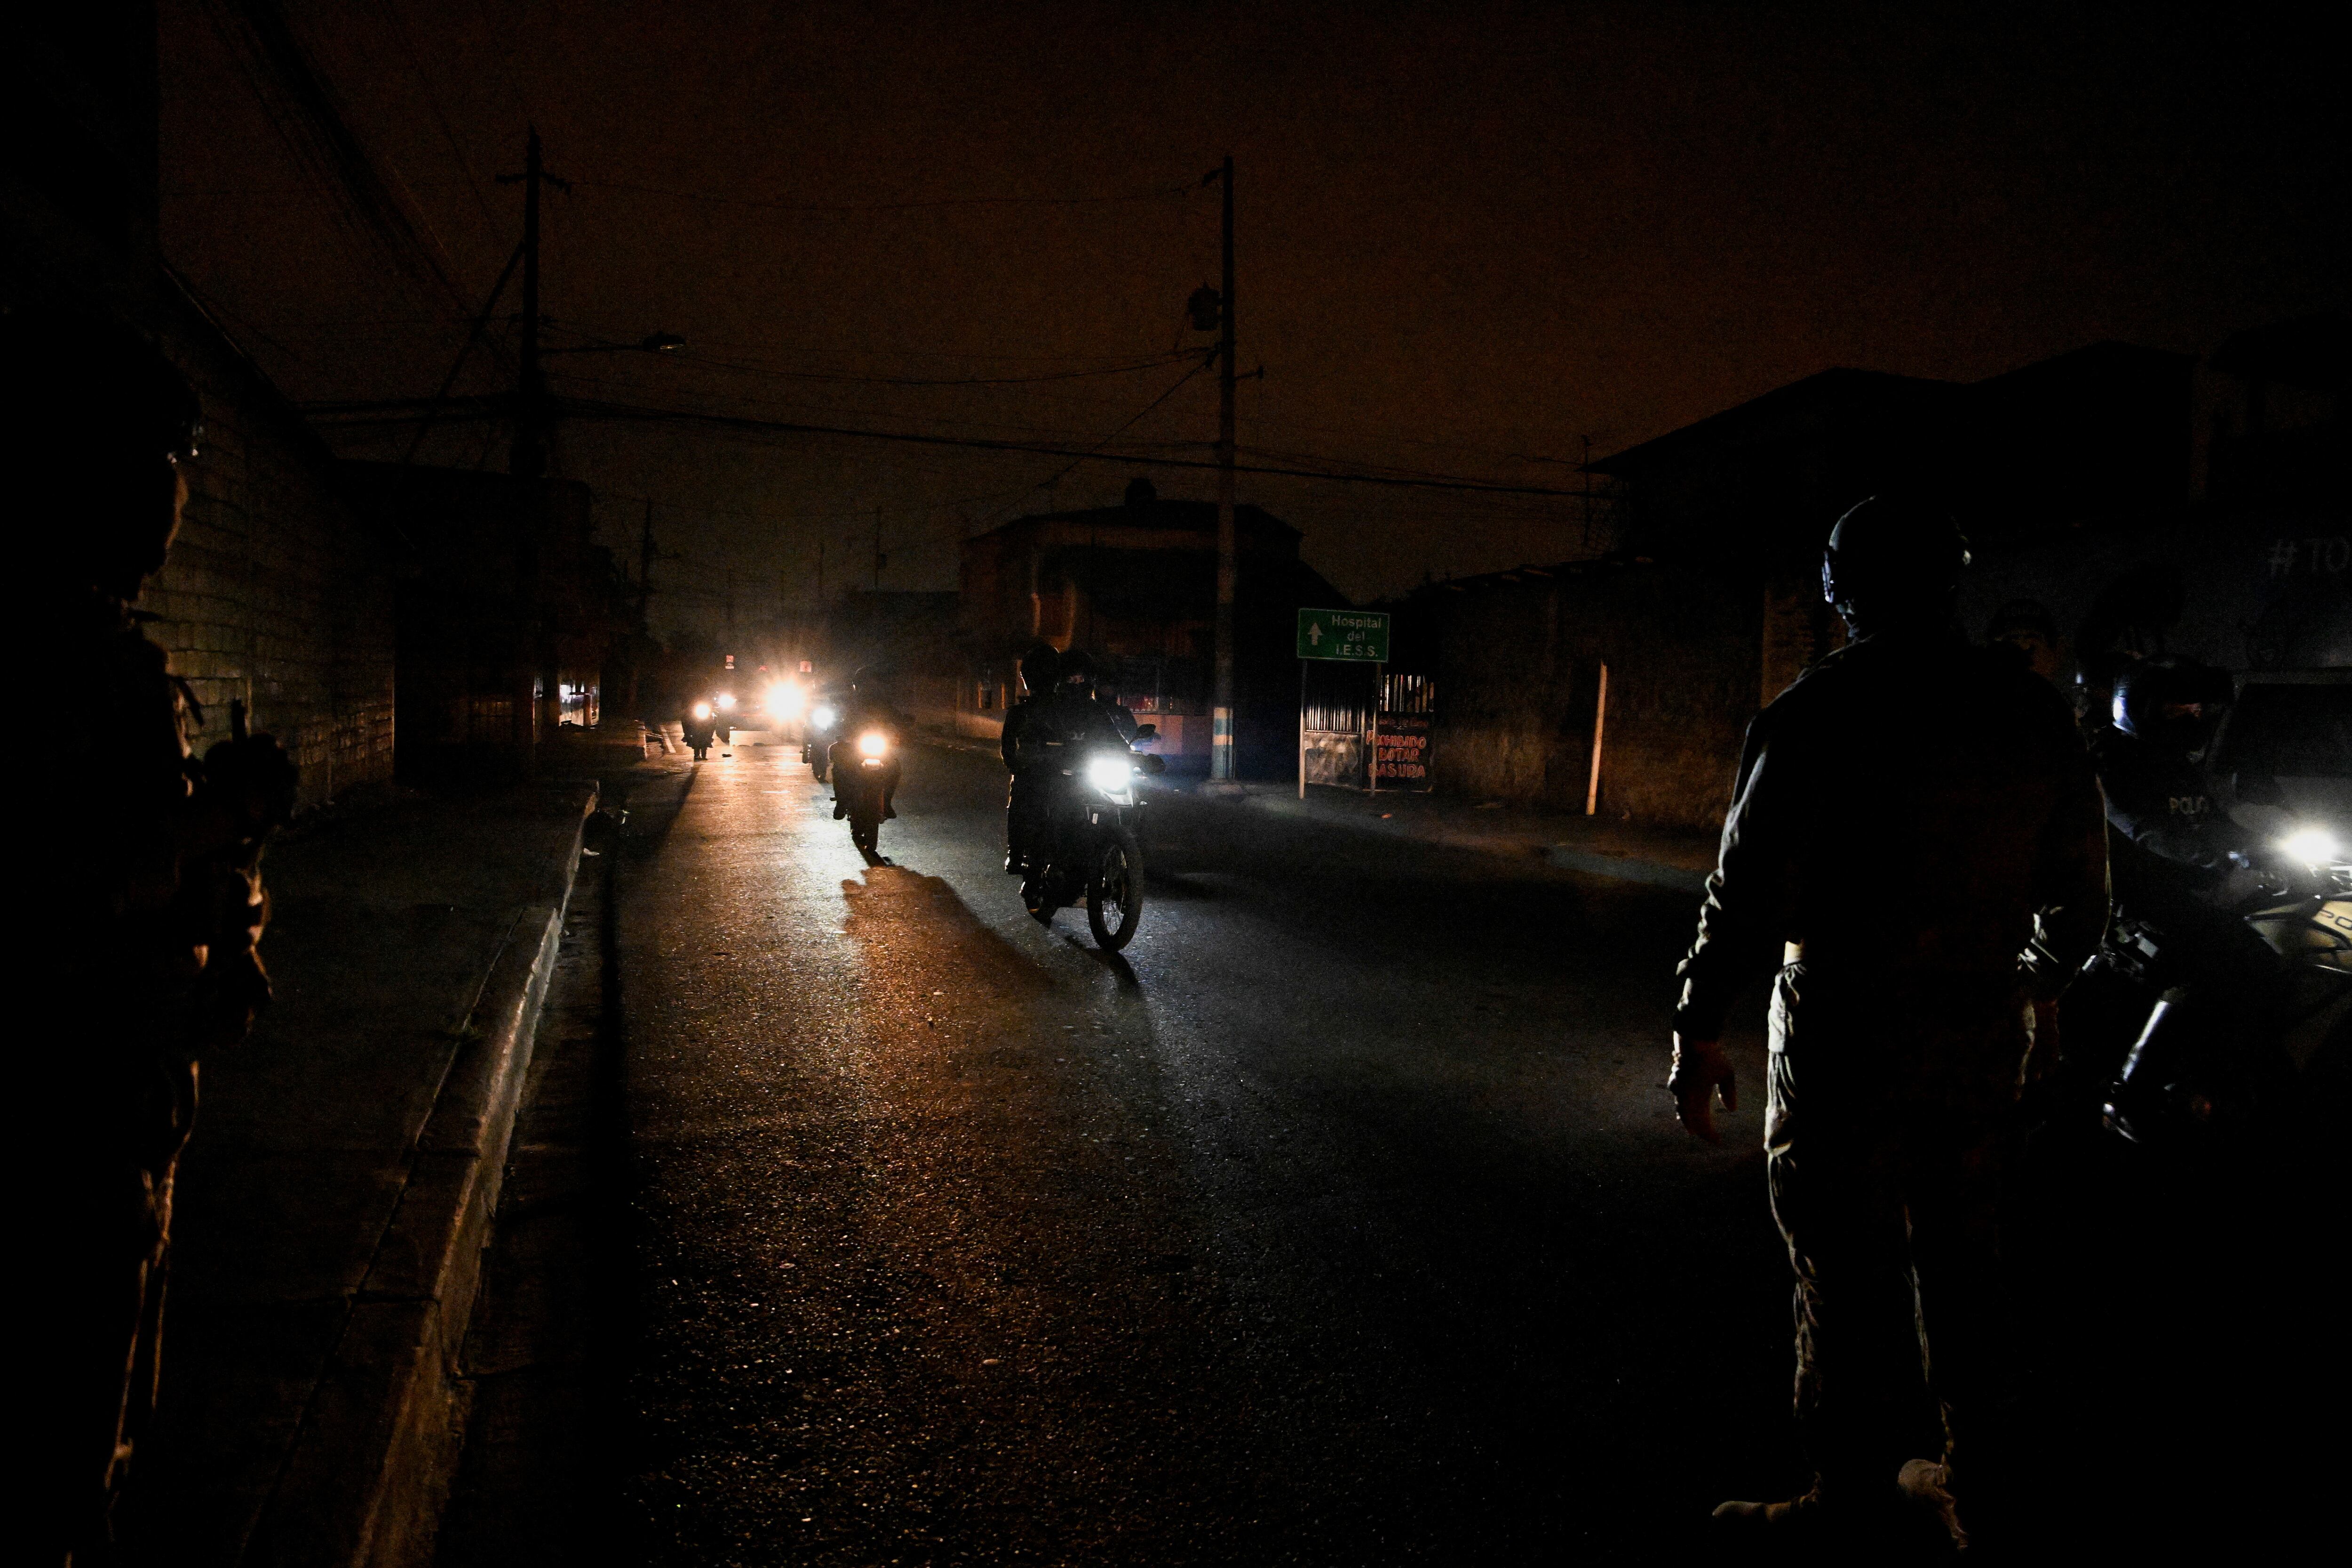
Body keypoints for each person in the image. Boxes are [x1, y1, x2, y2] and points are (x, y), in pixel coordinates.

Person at [1670, 494, 2108, 1553]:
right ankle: (1981, 1484)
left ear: (1837, 586)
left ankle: (1848, 1498)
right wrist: (2026, 987)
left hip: (1846, 1025)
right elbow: (2083, 904)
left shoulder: (1816, 709)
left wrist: (1697, 1023)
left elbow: (1748, 893)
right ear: (1951, 582)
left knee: (1843, 1262)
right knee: (1966, 1257)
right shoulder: (2030, 709)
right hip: (1974, 1024)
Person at [27, 313, 298, 1564]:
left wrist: (226, 899)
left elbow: (170, 868)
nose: (175, 502)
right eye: (161, 469)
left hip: (125, 1096)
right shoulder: (51, 665)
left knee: (105, 1425)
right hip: (63, 1116)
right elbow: (74, 880)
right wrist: (205, 832)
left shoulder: (110, 654)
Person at [2084, 658, 2263, 1137]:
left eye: (2199, 708)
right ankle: (2130, 1091)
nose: (2192, 717)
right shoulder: (2112, 761)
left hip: (2181, 893)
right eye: (2178, 708)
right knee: (2225, 958)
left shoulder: (2178, 769)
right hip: (2129, 900)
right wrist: (2206, 854)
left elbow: (2213, 821)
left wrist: (2257, 844)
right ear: (2139, 708)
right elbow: (2144, 831)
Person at [1001, 643, 1060, 874]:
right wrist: (1016, 765)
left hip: (1067, 772)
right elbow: (1008, 745)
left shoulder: (1070, 708)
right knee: (1018, 804)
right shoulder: (1022, 711)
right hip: (1034, 771)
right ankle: (1015, 854)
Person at [828, 666, 906, 820]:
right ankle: (841, 802)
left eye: (872, 682)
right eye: (866, 682)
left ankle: (887, 803)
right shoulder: (850, 700)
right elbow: (838, 717)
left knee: (894, 767)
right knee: (839, 765)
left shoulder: (883, 703)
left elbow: (897, 718)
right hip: (853, 744)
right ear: (858, 684)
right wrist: (837, 728)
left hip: (878, 743)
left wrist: (904, 724)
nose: (869, 686)